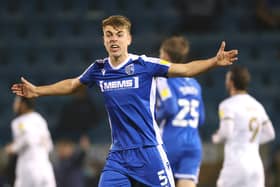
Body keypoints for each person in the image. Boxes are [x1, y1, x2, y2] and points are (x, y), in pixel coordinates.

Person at [11, 15, 238, 187]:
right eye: (109, 34)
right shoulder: (99, 69)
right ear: (103, 39)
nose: (114, 39)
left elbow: (186, 69)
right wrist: (38, 91)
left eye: (119, 34)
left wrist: (214, 62)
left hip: (149, 151)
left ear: (129, 38)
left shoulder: (145, 65)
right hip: (119, 155)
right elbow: (72, 84)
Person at [212, 65, 275, 187]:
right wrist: (250, 140)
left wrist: (216, 137)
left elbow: (226, 132)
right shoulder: (257, 105)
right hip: (256, 166)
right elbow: (270, 134)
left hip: (236, 165)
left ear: (230, 82)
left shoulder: (227, 105)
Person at [156, 36, 205, 187]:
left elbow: (170, 107)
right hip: (193, 143)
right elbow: (201, 119)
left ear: (165, 55)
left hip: (170, 141)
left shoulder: (163, 79)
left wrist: (152, 118)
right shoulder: (194, 83)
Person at [4, 96, 56, 187]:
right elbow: (49, 146)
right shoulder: (40, 119)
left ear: (23, 105)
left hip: (28, 168)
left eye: (16, 102)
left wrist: (12, 148)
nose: (14, 105)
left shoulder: (19, 122)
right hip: (45, 167)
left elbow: (28, 138)